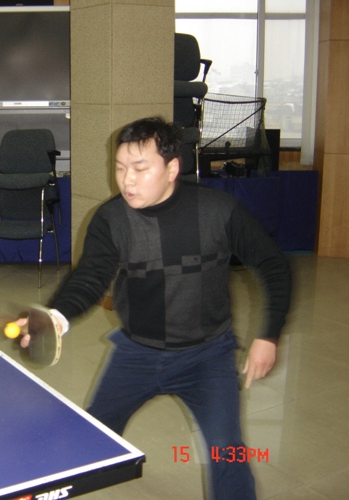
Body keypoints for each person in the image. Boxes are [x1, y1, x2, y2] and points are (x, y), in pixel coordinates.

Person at [15, 117, 292, 499]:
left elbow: (274, 266)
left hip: (207, 357)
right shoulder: (111, 219)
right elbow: (90, 277)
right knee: (92, 437)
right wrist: (56, 318)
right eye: (119, 168)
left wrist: (269, 336)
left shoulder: (218, 211)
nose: (126, 180)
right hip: (136, 354)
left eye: (140, 168)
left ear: (172, 168)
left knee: (227, 452)